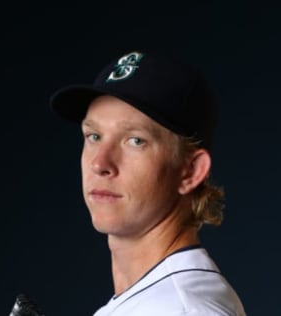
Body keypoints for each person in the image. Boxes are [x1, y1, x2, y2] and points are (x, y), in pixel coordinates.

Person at [49, 50, 246, 316]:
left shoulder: (185, 309)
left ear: (190, 171)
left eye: (135, 141)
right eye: (94, 136)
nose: (100, 163)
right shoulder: (155, 301)